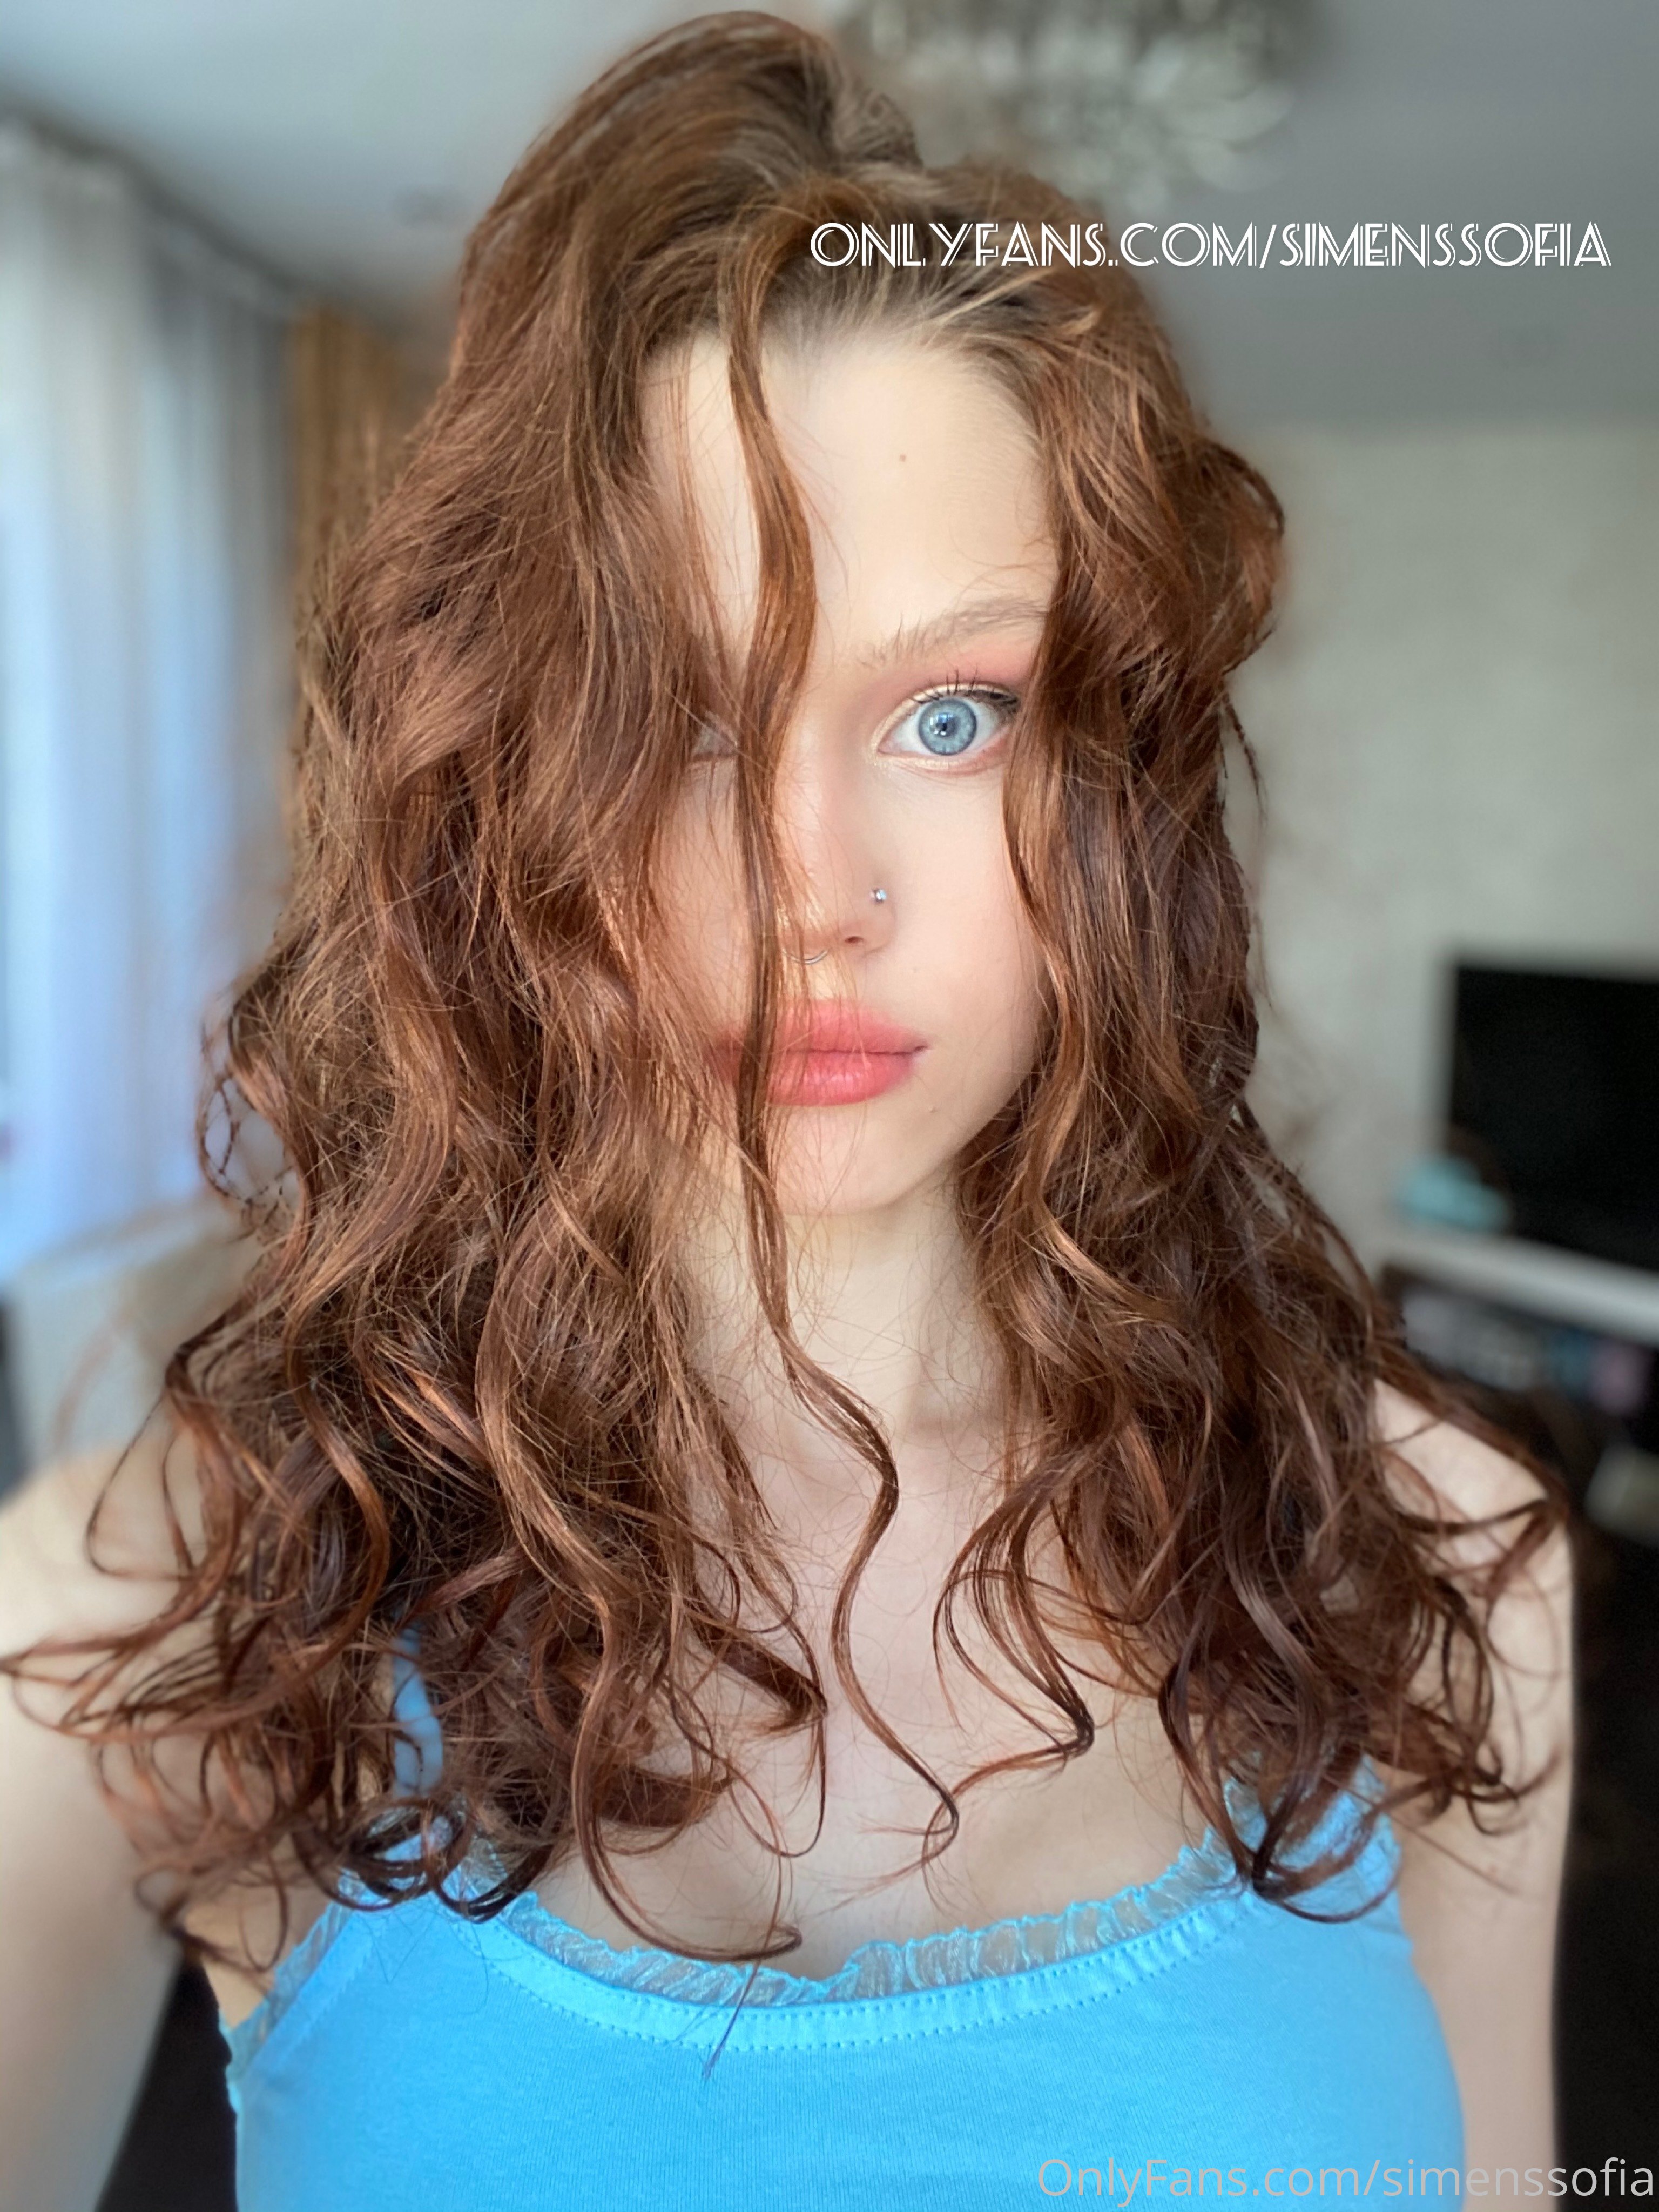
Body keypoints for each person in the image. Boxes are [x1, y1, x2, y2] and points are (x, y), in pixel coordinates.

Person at [0, 15, 1573, 2211]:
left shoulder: (1431, 1562)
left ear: (1115, 792)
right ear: (493, 791)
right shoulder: (151, 1618)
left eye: (953, 715)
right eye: (679, 721)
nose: (816, 893)